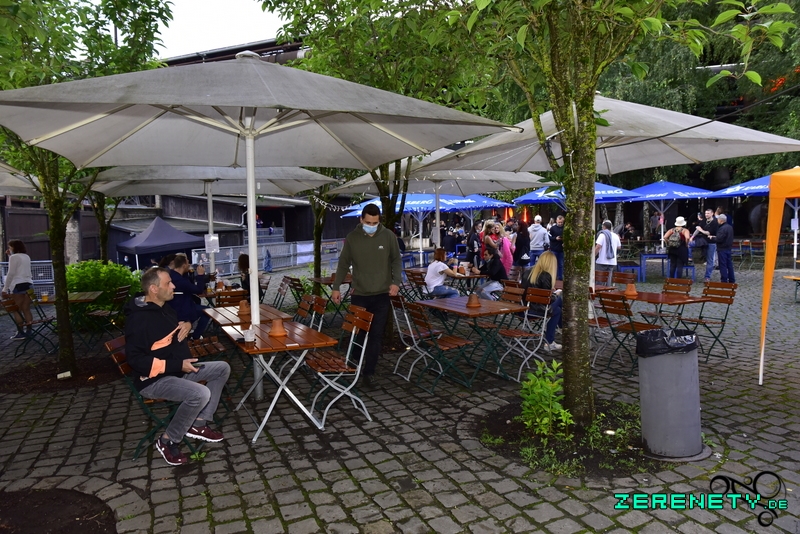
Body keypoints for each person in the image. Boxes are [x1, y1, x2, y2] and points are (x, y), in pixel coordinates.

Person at [124, 268, 230, 466]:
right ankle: (168, 440)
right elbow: (135, 360)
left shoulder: (164, 307)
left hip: (179, 371)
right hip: (153, 381)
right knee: (200, 394)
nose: (173, 286)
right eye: (168, 283)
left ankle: (199, 423)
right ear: (154, 289)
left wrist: (187, 324)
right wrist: (177, 364)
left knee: (222, 368)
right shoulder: (139, 320)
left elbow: (176, 327)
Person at [331, 203, 402, 388]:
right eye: (368, 222)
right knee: (359, 334)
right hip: (360, 294)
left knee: (376, 335)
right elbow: (343, 264)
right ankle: (355, 361)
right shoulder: (352, 238)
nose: (372, 226)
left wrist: (396, 282)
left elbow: (396, 260)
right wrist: (336, 287)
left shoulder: (388, 236)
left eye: (375, 223)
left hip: (382, 295)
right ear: (361, 219)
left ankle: (369, 372)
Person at [521, 251, 562, 353]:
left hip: (523, 309)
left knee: (557, 309)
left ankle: (557, 333)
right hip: (536, 310)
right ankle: (558, 332)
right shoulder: (546, 275)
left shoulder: (527, 272)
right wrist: (556, 294)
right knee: (559, 302)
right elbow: (548, 300)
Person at [167, 254, 211, 340]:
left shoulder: (172, 275)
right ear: (184, 265)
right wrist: (200, 275)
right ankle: (196, 336)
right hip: (182, 309)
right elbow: (198, 290)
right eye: (188, 263)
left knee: (203, 309)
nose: (189, 265)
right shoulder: (180, 280)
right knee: (207, 311)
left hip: (175, 307)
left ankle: (191, 331)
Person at [2, 239, 34, 340]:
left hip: (18, 285)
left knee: (17, 310)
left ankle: (20, 332)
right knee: (26, 309)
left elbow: (11, 273)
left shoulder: (14, 257)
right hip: (29, 284)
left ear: (14, 247)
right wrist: (10, 256)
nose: (9, 248)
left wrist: (5, 289)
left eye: (10, 247)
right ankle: (29, 331)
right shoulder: (26, 256)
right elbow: (19, 266)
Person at [693, 208, 719, 283]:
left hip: (711, 242)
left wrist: (701, 230)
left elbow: (708, 233)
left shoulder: (715, 222)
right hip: (703, 241)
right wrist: (692, 237)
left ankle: (707, 277)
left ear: (712, 214)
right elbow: (698, 229)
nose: (706, 215)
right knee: (690, 244)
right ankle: (689, 258)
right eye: (705, 213)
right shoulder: (704, 221)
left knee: (710, 260)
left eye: (708, 213)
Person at [711, 213, 735, 283]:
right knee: (729, 265)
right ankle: (732, 279)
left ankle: (724, 280)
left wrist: (712, 238)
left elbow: (719, 239)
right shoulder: (730, 227)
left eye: (718, 220)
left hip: (722, 249)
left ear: (721, 220)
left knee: (723, 265)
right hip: (728, 248)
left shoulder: (722, 228)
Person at [548, 215, 565, 280]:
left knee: (561, 264)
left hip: (561, 249)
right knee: (553, 264)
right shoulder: (552, 228)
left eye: (561, 222)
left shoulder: (565, 228)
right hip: (554, 248)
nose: (560, 223)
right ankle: (553, 277)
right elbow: (549, 237)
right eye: (559, 222)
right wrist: (555, 238)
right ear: (556, 221)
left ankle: (560, 277)